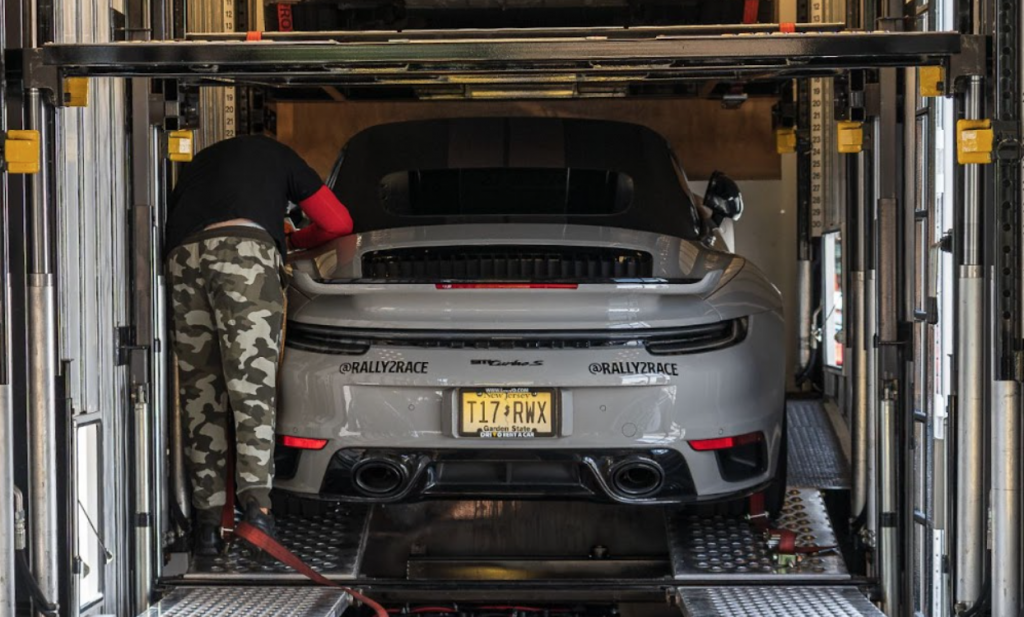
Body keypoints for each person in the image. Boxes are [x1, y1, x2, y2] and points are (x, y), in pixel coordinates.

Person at [165, 135, 353, 556]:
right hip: (243, 256)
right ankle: (258, 515)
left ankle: (208, 528)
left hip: (182, 260)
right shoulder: (280, 155)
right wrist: (295, 238)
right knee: (251, 392)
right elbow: (339, 222)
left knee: (201, 396)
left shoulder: (199, 163)